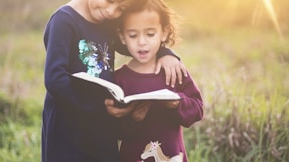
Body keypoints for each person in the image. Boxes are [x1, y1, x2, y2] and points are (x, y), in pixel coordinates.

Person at [42, 0, 188, 161]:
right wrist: (99, 107)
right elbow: (55, 79)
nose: (111, 11)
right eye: (110, 1)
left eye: (122, 8)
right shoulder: (63, 21)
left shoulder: (107, 22)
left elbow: (137, 46)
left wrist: (165, 54)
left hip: (102, 125)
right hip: (68, 126)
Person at [106, 0, 204, 162]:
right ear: (122, 36)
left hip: (172, 157)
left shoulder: (174, 70)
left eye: (150, 34)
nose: (142, 42)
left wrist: (177, 103)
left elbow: (197, 110)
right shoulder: (118, 79)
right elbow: (113, 131)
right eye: (133, 35)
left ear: (164, 33)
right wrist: (133, 119)